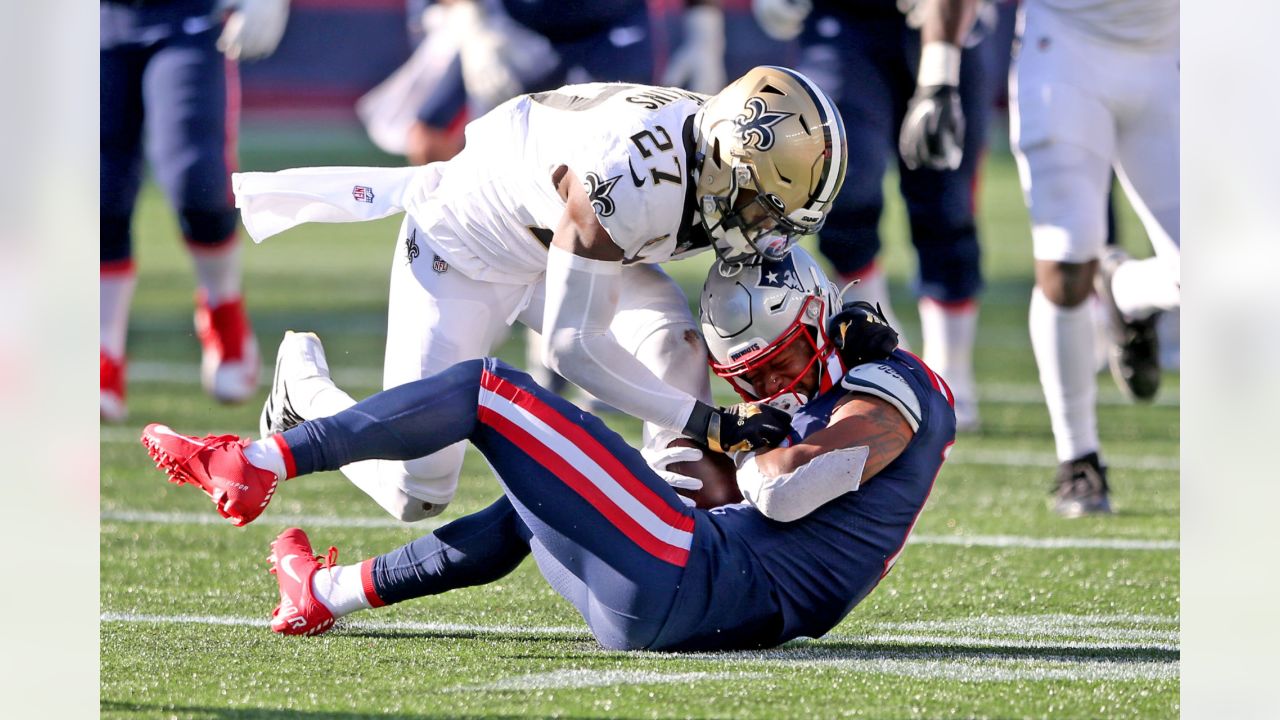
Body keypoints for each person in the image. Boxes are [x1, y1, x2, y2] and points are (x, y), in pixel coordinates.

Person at [140, 247, 956, 649]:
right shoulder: (846, 383)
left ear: (819, 312)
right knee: (538, 500)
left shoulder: (900, 385)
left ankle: (258, 459)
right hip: (686, 599)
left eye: (780, 360)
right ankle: (326, 591)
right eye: (754, 371)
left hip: (697, 576)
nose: (770, 382)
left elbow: (783, 492)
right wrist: (732, 461)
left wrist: (740, 458)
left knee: (492, 391)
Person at [231, 66, 847, 523]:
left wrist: (848, 330)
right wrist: (705, 420)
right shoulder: (632, 176)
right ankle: (306, 395)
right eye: (763, 209)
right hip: (470, 250)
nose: (771, 231)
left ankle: (676, 522)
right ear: (723, 163)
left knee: (673, 341)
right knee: (417, 493)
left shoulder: (716, 151)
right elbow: (571, 348)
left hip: (574, 247)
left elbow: (781, 281)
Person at [752, 0, 989, 432]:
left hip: (946, 19)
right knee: (837, 179)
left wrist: (942, 66)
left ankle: (952, 369)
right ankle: (883, 342)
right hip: (842, 23)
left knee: (946, 195)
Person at [1009, 0, 1179, 516]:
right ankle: (1078, 457)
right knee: (1066, 258)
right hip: (1066, 50)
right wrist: (940, 69)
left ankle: (1125, 290)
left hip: (1171, 49)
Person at [100, 0, 290, 421]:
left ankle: (223, 308)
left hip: (190, 19)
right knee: (99, 194)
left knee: (197, 183)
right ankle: (101, 352)